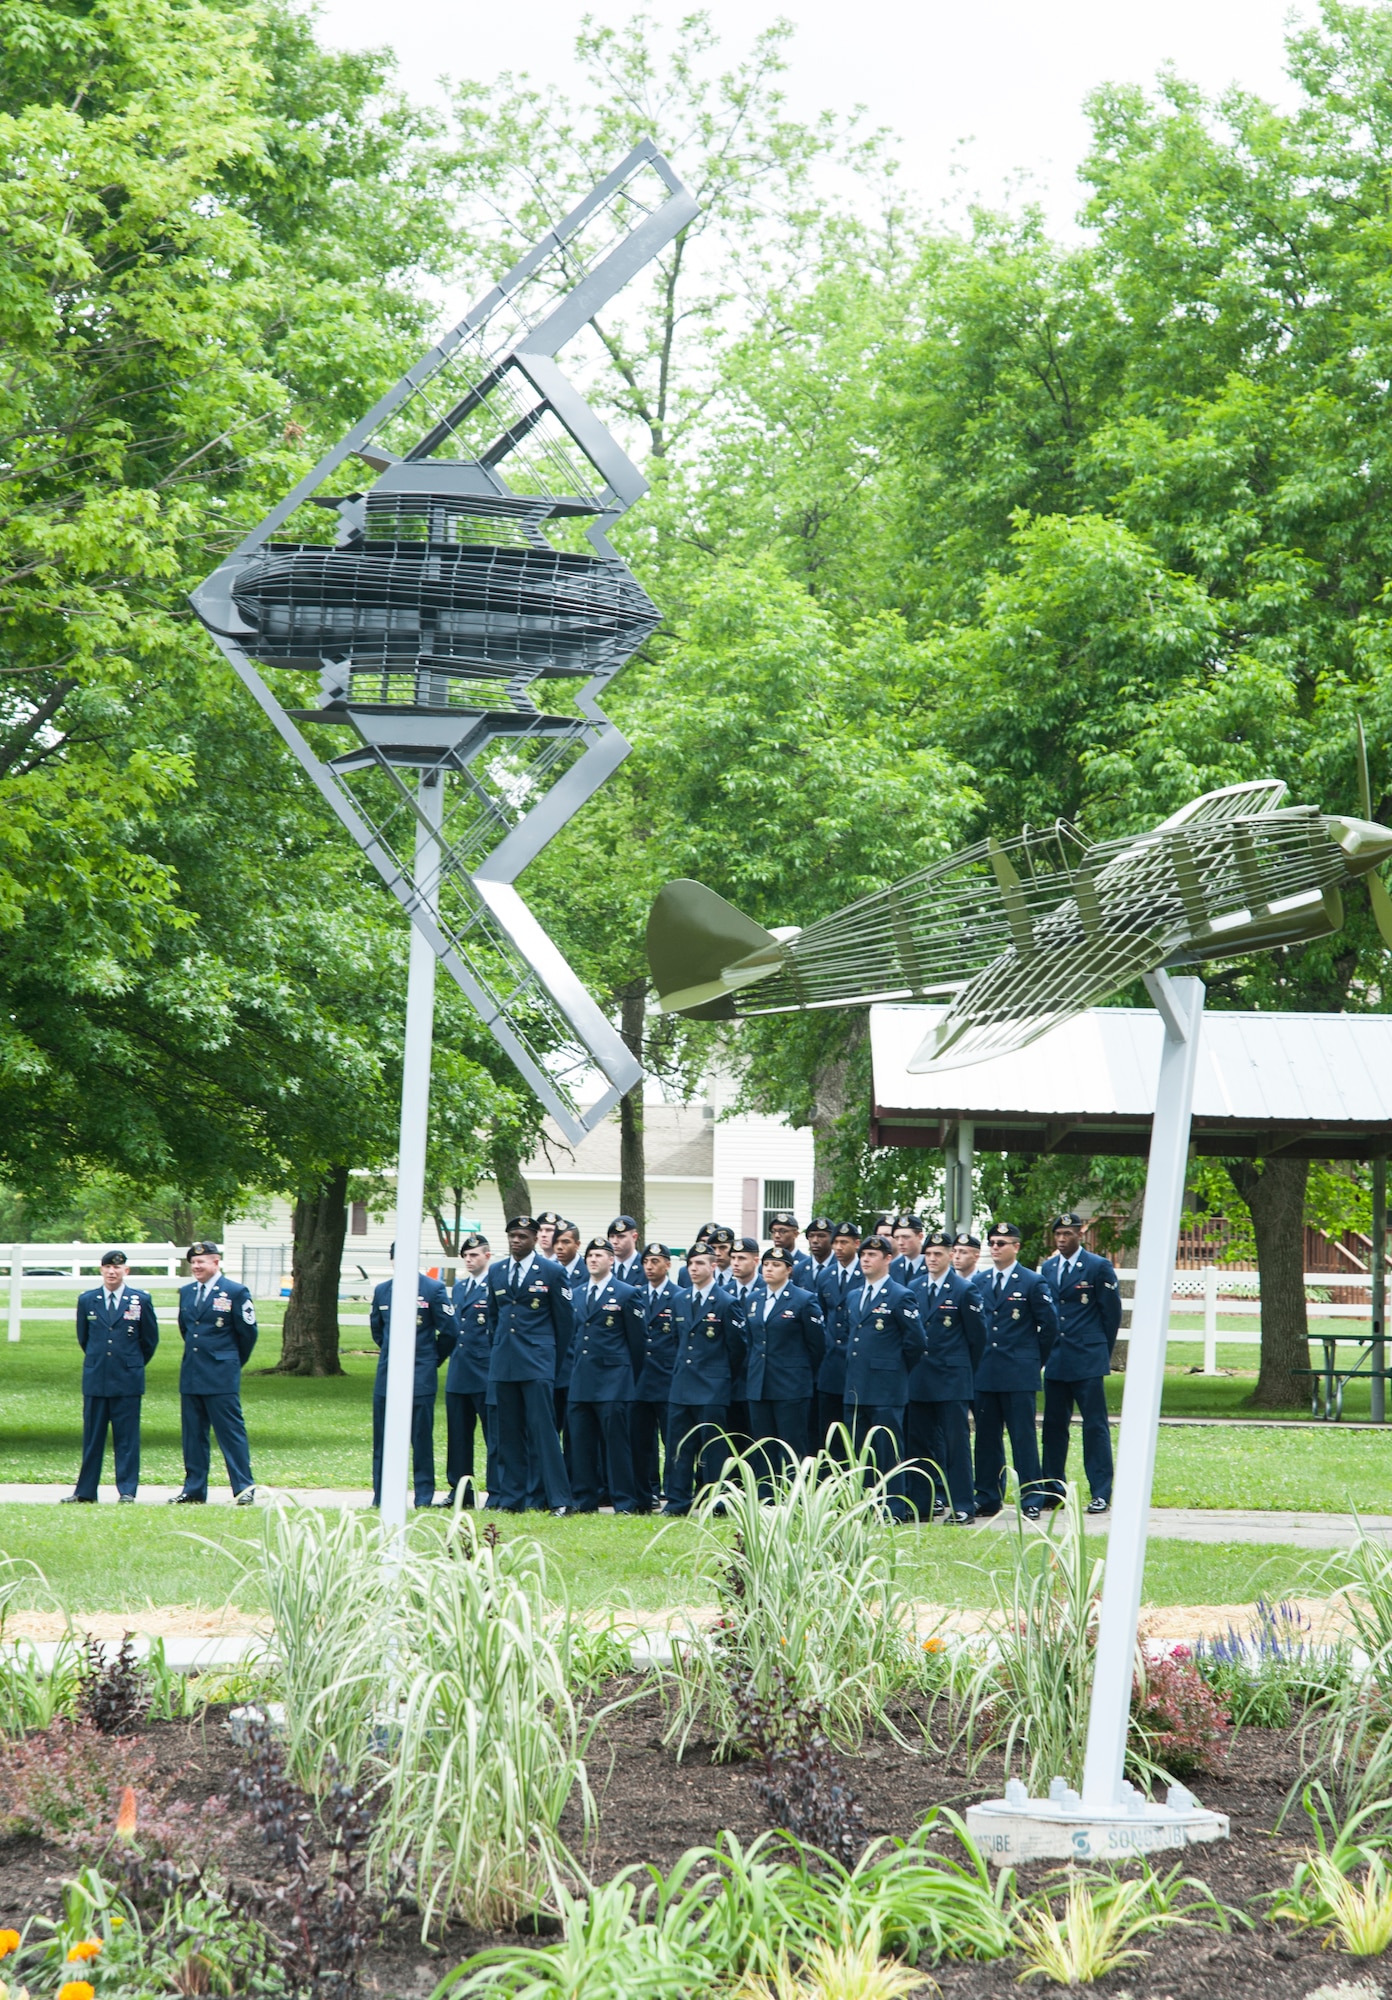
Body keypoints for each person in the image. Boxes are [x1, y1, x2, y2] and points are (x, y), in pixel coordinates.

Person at [486, 1215, 575, 1514]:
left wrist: (550, 1360)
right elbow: (493, 1319)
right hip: (504, 1363)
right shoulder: (497, 1271)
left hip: (537, 1363)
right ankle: (512, 1500)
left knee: (544, 1433)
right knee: (508, 1433)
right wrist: (499, 1349)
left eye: (522, 1236)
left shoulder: (551, 1272)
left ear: (536, 1239)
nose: (515, 1240)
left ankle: (560, 1500)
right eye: (512, 1235)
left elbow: (565, 1323)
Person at [973, 1221, 1058, 1520]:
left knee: (1023, 1437)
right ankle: (987, 1496)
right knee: (985, 1439)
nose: (995, 1248)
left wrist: (1034, 1361)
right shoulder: (980, 1282)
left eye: (1002, 1243)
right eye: (992, 1243)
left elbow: (1050, 1327)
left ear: (1016, 1246)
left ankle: (1031, 1496)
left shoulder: (1032, 1282)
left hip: (1018, 1372)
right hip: (985, 1372)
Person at [1040, 1212, 1122, 1515]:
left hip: (1087, 1358)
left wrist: (1101, 1350)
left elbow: (1110, 1314)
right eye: (1058, 1234)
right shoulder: (1048, 1268)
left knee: (1095, 1426)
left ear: (1080, 1234)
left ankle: (1100, 1491)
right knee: (1053, 1428)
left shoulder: (1097, 1266)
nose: (1062, 1239)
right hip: (1057, 1359)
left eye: (1068, 1234)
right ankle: (1052, 1489)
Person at [63, 1250, 159, 1504]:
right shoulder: (88, 1300)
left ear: (126, 1271)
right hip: (96, 1379)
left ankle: (127, 1491)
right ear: (101, 1270)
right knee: (92, 1438)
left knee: (127, 1439)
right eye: (107, 1267)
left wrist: (131, 1363)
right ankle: (85, 1492)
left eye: (117, 1267)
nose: (112, 1272)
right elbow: (84, 1338)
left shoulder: (140, 1300)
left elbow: (149, 1341)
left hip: (127, 1380)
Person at [841, 1234, 924, 1522]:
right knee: (860, 1452)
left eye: (873, 1255)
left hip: (886, 1387)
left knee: (887, 1451)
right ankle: (865, 1506)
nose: (865, 1259)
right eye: (863, 1254)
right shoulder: (854, 1295)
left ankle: (893, 1509)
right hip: (856, 1387)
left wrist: (894, 1369)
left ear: (888, 1259)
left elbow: (916, 1343)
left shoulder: (901, 1295)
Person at [169, 1241, 259, 1506]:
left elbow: (248, 1334)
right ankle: (194, 1489)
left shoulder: (235, 1291)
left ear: (216, 1262)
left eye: (202, 1262)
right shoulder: (186, 1292)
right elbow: (187, 1330)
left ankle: (243, 1489)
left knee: (231, 1435)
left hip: (221, 1375)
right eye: (193, 1263)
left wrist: (230, 1362)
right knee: (193, 1437)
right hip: (192, 1374)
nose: (196, 1266)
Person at [904, 1230, 985, 1523]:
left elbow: (978, 1338)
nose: (932, 1259)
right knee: (919, 1445)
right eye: (928, 1254)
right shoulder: (913, 1288)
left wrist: (962, 1369)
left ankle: (963, 1504)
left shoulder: (964, 1290)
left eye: (938, 1254)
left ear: (951, 1256)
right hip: (920, 1379)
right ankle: (923, 1503)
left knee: (956, 1445)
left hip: (952, 1379)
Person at [663, 1246, 746, 1516]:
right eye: (690, 1263)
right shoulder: (679, 1299)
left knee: (714, 1449)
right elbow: (677, 1341)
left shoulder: (725, 1301)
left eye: (699, 1263)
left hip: (712, 1386)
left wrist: (719, 1375)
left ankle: (716, 1502)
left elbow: (737, 1349)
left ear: (713, 1266)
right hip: (682, 1385)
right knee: (678, 1448)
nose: (693, 1268)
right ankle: (677, 1502)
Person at [370, 1249, 455, 1510]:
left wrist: (430, 1360)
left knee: (420, 1439)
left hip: (420, 1374)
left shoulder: (433, 1289)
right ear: (393, 1259)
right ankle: (381, 1497)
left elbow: (450, 1332)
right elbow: (377, 1329)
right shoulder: (383, 1290)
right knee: (382, 1441)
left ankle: (423, 1497)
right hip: (387, 1375)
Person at [568, 1238, 645, 1513]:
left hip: (614, 1381)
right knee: (581, 1443)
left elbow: (638, 1341)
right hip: (581, 1380)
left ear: (611, 1260)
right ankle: (584, 1500)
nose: (593, 1259)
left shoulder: (626, 1293)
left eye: (599, 1255)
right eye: (589, 1255)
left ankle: (623, 1501)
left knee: (616, 1445)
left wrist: (625, 1374)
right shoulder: (575, 1293)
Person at [745, 1247, 825, 1493]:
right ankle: (766, 1497)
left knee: (792, 1446)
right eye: (766, 1264)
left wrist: (798, 1371)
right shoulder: (754, 1299)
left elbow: (817, 1345)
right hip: (759, 1384)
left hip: (791, 1385)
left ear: (789, 1270)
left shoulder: (804, 1299)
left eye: (776, 1265)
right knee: (763, 1446)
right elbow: (751, 1341)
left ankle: (795, 1497)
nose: (769, 1268)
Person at [632, 1242, 687, 1511]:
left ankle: (673, 1491)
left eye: (655, 1261)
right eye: (646, 1262)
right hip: (640, 1378)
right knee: (642, 1441)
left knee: (672, 1440)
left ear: (668, 1264)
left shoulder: (679, 1296)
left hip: (668, 1378)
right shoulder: (635, 1294)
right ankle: (647, 1491)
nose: (650, 1267)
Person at [444, 1233, 493, 1507]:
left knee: (492, 1436)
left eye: (474, 1255)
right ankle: (460, 1491)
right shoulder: (460, 1288)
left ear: (487, 1256)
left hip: (484, 1371)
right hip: (460, 1371)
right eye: (466, 1255)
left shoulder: (494, 1286)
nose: (469, 1259)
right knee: (458, 1436)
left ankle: (497, 1491)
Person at [814, 1223, 862, 1455]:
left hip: (856, 1361)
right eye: (836, 1243)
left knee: (855, 1431)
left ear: (856, 1243)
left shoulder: (866, 1272)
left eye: (844, 1242)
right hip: (831, 1362)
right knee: (828, 1430)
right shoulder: (826, 1274)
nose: (839, 1248)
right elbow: (822, 1314)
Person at [890, 1214, 927, 1286]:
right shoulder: (892, 1268)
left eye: (906, 1237)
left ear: (920, 1237)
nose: (900, 1242)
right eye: (897, 1238)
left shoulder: (933, 1265)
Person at [607, 1214, 644, 1287]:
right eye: (611, 1236)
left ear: (634, 1237)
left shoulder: (645, 1268)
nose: (615, 1241)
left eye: (621, 1236)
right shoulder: (605, 1267)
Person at [802, 1217, 836, 1290]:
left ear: (832, 1239)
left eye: (821, 1236)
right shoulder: (799, 1269)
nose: (814, 1241)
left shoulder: (840, 1267)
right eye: (811, 1236)